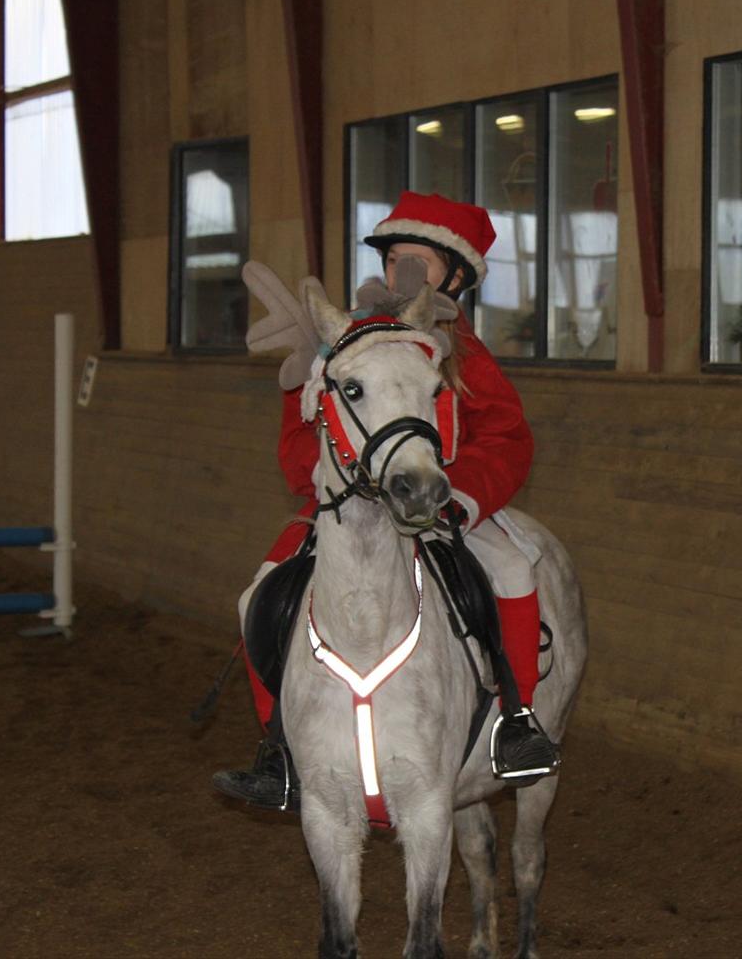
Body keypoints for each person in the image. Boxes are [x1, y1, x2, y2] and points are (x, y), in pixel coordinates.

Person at [213, 192, 558, 811]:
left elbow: (508, 437)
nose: (398, 270)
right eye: (392, 257)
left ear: (453, 276)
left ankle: (517, 721)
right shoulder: (345, 343)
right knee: (258, 592)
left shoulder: (464, 354)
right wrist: (330, 475)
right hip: (352, 504)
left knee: (511, 570)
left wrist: (464, 496)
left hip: (445, 504)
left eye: (414, 261)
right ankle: (279, 748)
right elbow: (298, 441)